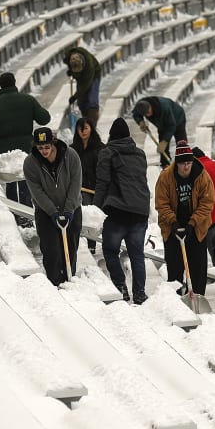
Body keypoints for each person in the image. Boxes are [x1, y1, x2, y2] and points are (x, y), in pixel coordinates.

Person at [93, 118, 149, 303]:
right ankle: (139, 293)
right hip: (140, 211)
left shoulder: (107, 153)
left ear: (111, 135)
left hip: (118, 211)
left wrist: (95, 210)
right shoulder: (140, 154)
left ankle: (120, 287)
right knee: (137, 255)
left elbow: (102, 183)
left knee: (110, 250)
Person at [24, 127, 83, 286]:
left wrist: (69, 210)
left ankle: (70, 280)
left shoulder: (71, 156)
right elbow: (36, 191)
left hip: (72, 208)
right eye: (40, 147)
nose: (44, 151)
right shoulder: (30, 163)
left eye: (47, 147)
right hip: (45, 211)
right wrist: (52, 212)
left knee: (71, 248)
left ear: (54, 143)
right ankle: (55, 284)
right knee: (52, 250)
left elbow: (75, 184)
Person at [155, 141, 215, 297]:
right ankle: (175, 299)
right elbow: (161, 204)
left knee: (198, 267)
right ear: (177, 164)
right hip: (172, 227)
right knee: (174, 267)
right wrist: (173, 222)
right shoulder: (165, 177)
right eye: (183, 164)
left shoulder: (202, 176)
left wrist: (192, 223)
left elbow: (207, 203)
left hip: (196, 228)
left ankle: (198, 296)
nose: (186, 167)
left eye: (189, 163)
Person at [0, 72, 49, 212]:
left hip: (4, 152)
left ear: (1, 85)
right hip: (26, 149)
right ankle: (27, 211)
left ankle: (15, 213)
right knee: (25, 180)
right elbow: (44, 118)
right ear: (15, 82)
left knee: (10, 183)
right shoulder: (28, 100)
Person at [71, 117, 104, 252]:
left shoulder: (99, 148)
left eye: (85, 128)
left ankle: (94, 244)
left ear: (91, 129)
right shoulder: (73, 149)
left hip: (95, 187)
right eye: (80, 129)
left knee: (95, 215)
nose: (83, 131)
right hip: (80, 187)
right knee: (84, 215)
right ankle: (87, 246)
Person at [132, 95, 187, 167]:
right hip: (162, 124)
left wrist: (165, 141)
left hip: (178, 118)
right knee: (163, 148)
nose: (148, 115)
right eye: (145, 114)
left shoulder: (164, 107)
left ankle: (185, 161)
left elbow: (171, 126)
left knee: (181, 142)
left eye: (148, 112)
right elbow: (136, 114)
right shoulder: (140, 106)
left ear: (150, 106)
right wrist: (141, 122)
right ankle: (165, 165)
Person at [63, 45, 101, 126]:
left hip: (94, 75)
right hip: (81, 78)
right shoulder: (69, 57)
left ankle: (92, 125)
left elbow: (85, 86)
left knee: (92, 101)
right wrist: (71, 72)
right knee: (81, 102)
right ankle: (85, 120)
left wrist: (75, 96)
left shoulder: (89, 66)